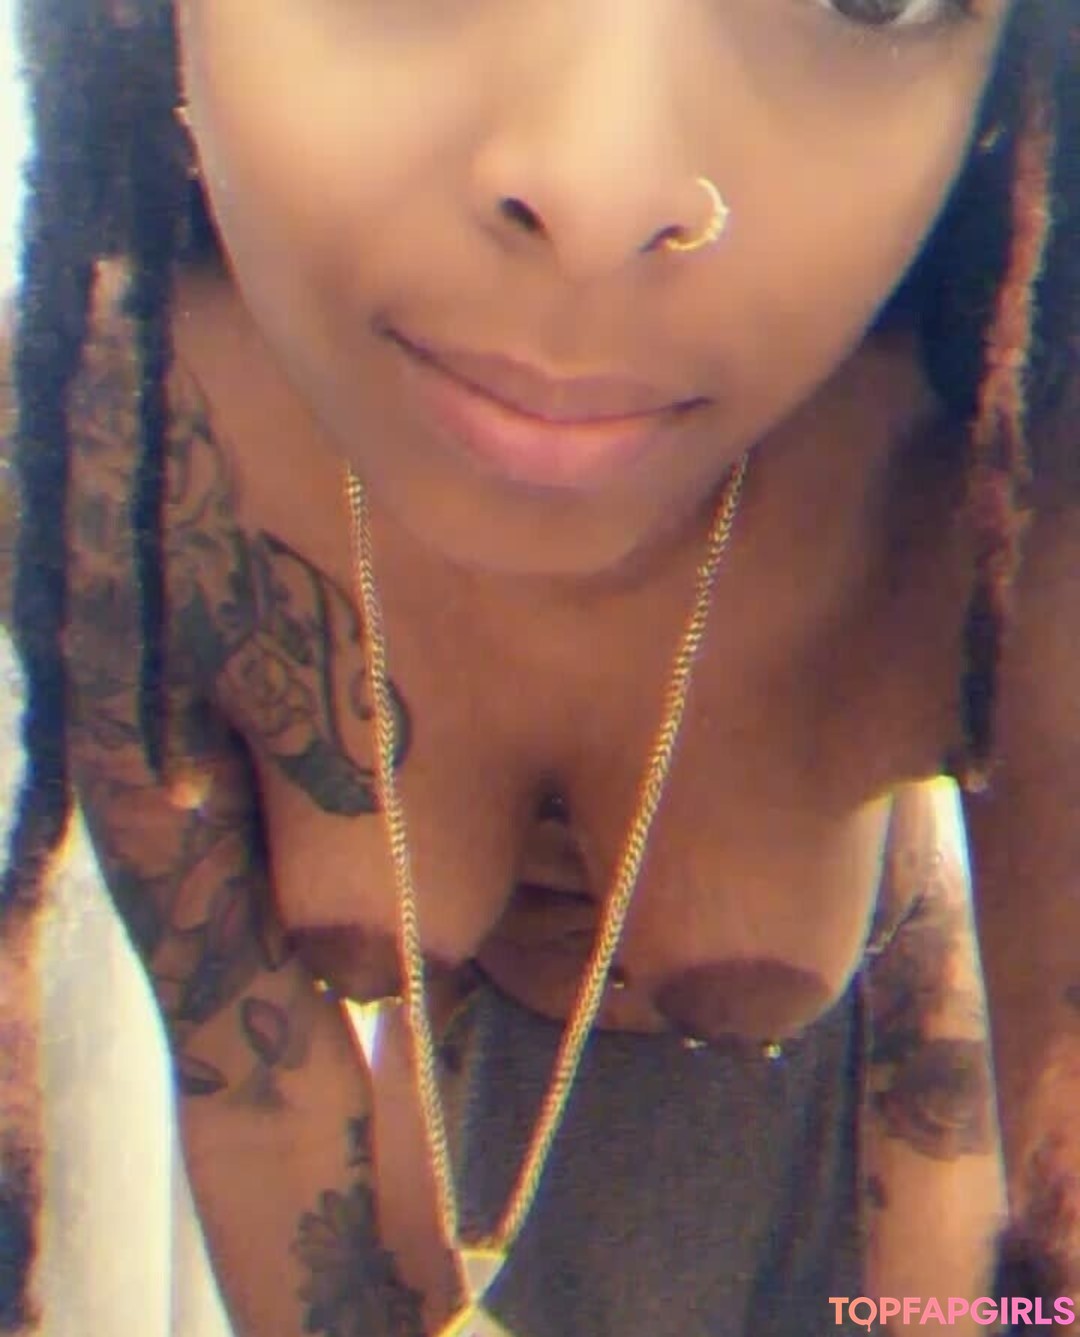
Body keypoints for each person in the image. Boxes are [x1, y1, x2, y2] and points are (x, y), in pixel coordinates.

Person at [1, 0, 1079, 1332]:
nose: (595, 187)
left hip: (860, 1161)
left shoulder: (992, 468)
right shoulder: (133, 442)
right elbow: (252, 1080)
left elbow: (1012, 1155)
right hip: (471, 1136)